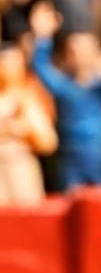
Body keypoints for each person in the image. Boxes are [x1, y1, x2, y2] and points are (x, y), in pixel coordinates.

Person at [29, 0, 101, 189]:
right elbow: (41, 67)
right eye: (74, 51)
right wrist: (43, 38)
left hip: (98, 152)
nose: (80, 55)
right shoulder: (64, 86)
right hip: (69, 152)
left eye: (85, 50)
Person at [0, 41, 57, 204]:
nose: (11, 68)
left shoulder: (30, 96)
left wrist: (22, 129)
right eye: (6, 63)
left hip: (22, 168)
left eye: (15, 62)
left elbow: (48, 142)